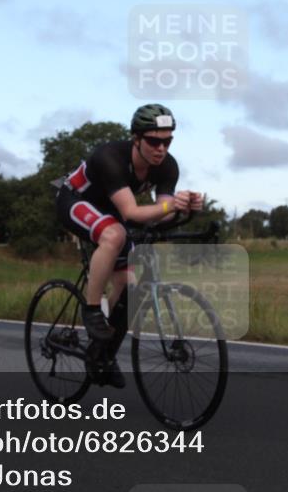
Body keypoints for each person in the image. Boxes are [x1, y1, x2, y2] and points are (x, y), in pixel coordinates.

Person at [55, 104, 203, 388]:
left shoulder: (167, 166)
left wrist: (186, 208)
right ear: (136, 138)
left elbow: (161, 212)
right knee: (114, 235)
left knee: (129, 283)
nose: (161, 148)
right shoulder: (110, 157)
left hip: (111, 212)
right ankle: (91, 310)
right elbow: (134, 213)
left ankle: (102, 354)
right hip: (75, 201)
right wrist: (169, 205)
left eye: (167, 141)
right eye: (154, 141)